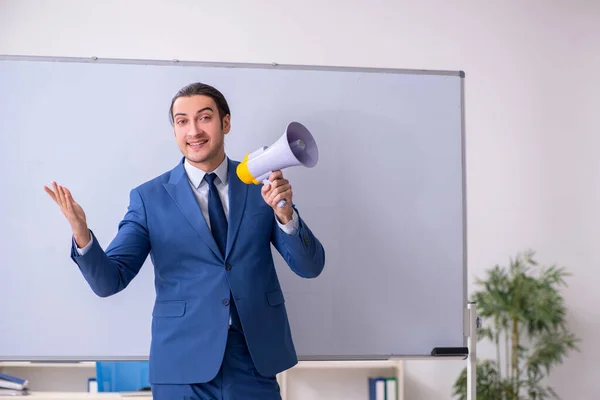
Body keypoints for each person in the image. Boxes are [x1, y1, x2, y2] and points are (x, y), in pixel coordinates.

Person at [43, 82, 326, 400]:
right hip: (181, 367)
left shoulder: (258, 185)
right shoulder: (149, 198)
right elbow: (109, 281)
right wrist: (82, 233)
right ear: (175, 130)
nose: (194, 130)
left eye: (204, 117)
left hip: (254, 361)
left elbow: (310, 266)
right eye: (182, 121)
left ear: (225, 123)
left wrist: (286, 216)